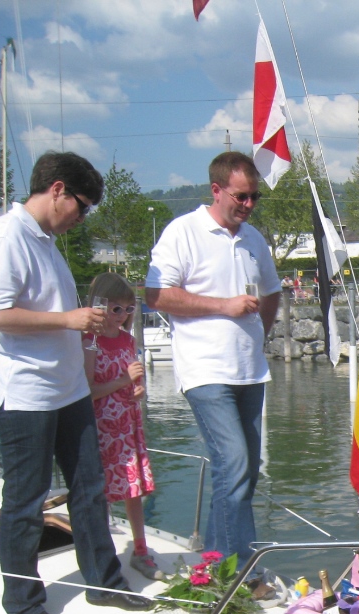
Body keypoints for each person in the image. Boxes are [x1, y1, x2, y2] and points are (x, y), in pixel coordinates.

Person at [0, 151, 148, 614]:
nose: (83, 216)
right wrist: (68, 319)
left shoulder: (47, 243)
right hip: (23, 393)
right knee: (26, 500)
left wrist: (79, 324)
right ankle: (23, 601)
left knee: (90, 489)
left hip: (67, 389)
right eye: (82, 205)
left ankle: (103, 582)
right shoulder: (6, 237)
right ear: (57, 190)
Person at [145, 151, 281, 570]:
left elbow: (272, 291)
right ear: (216, 190)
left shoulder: (254, 239)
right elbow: (156, 295)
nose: (249, 204)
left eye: (254, 197)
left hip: (250, 370)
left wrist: (260, 334)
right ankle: (238, 569)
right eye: (241, 196)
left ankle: (215, 564)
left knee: (245, 471)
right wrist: (224, 306)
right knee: (233, 463)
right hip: (205, 370)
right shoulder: (183, 232)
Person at [81, 273, 163, 582]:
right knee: (100, 492)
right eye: (116, 308)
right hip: (101, 428)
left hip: (128, 426)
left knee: (134, 489)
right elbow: (88, 391)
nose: (122, 315)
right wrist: (124, 381)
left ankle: (140, 549)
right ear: (99, 306)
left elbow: (132, 384)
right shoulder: (89, 341)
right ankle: (103, 554)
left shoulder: (128, 340)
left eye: (128, 309)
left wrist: (137, 390)